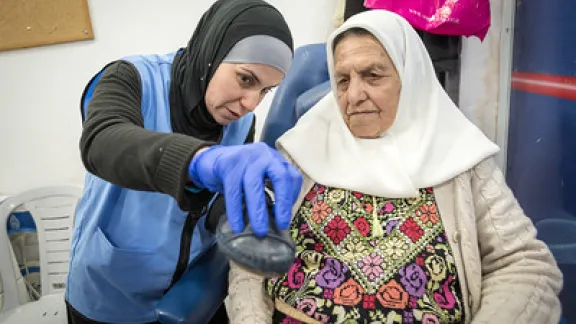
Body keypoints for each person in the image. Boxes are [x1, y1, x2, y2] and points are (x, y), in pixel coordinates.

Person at [227, 10, 563, 324]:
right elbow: (249, 254)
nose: (354, 94)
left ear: (410, 77)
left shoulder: (460, 159)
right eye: (342, 80)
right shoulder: (301, 151)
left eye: (372, 76)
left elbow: (524, 266)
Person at [65, 0, 303, 323]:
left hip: (189, 291)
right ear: (214, 51)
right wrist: (198, 160)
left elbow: (211, 207)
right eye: (246, 79)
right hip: (109, 296)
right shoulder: (131, 78)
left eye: (265, 91)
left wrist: (247, 211)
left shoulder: (241, 121)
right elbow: (101, 142)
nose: (250, 103)